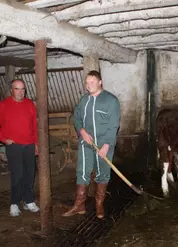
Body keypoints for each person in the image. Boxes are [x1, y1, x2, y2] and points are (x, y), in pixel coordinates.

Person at [62, 70, 120, 219]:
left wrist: (106, 145)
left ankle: (99, 204)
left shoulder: (111, 100)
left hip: (104, 143)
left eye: (92, 82)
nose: (89, 86)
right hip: (86, 142)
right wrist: (81, 131)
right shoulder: (84, 100)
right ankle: (79, 205)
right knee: (82, 171)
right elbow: (77, 118)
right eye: (87, 83)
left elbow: (113, 125)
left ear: (100, 82)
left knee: (102, 173)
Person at [0, 79, 40, 217]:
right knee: (18, 175)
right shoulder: (4, 105)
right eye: (17, 89)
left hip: (29, 145)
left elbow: (34, 126)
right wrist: (4, 139)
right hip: (14, 146)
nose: (20, 92)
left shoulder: (29, 104)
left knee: (30, 173)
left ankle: (28, 200)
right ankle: (14, 203)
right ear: (12, 90)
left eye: (22, 89)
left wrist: (36, 144)